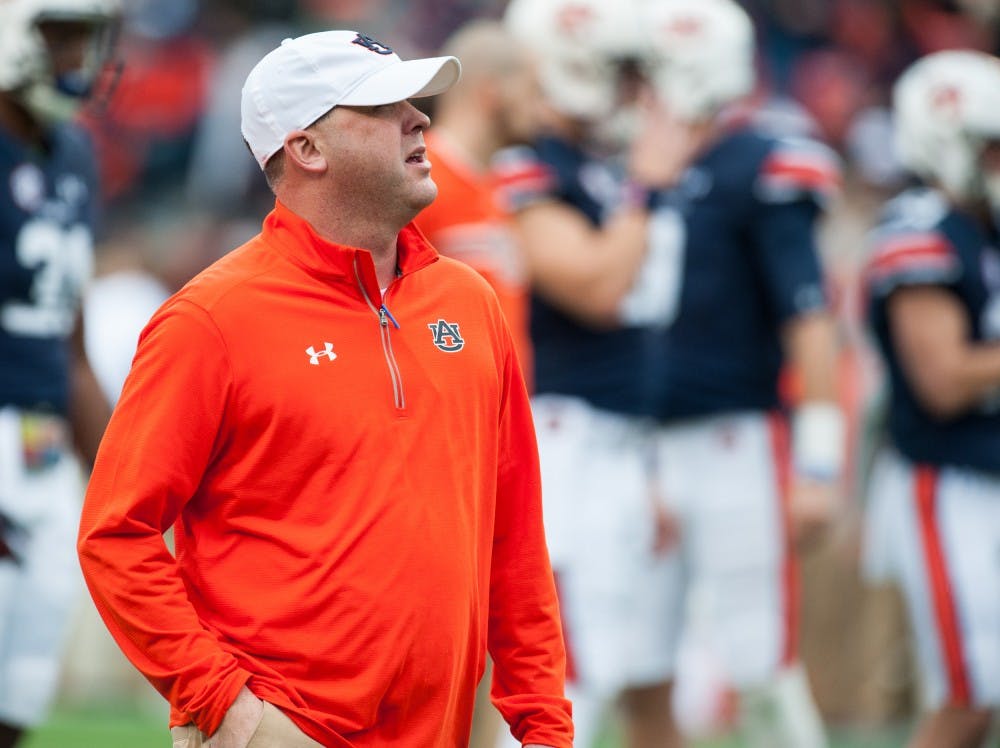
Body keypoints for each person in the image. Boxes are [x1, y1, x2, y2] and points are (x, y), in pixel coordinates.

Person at [76, 30, 572, 748]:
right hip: (271, 731)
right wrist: (230, 709)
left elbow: (516, 539)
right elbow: (115, 535)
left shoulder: (470, 304)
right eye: (383, 106)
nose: (421, 119)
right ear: (307, 149)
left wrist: (545, 729)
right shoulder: (210, 320)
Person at [638, 1, 844, 746]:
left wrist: (818, 460)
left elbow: (809, 315)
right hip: (638, 445)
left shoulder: (761, 161)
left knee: (761, 662)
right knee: (634, 667)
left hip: (735, 439)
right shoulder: (628, 165)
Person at [496, 0, 695, 745]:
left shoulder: (606, 170)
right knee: (564, 670)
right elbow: (597, 289)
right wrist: (646, 187)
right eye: (618, 69)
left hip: (632, 437)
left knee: (649, 669)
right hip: (569, 437)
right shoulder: (534, 165)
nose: (631, 89)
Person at [863, 49, 1000, 748]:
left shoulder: (983, 225)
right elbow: (943, 381)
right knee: (970, 693)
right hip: (946, 482)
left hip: (985, 475)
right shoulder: (918, 229)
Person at [411, 20, 541, 748]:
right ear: (491, 91)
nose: (543, 102)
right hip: (443, 442)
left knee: (499, 640)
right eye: (529, 84)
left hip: (500, 438)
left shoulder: (493, 189)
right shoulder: (425, 183)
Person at [0, 1, 118, 745]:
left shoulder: (73, 154)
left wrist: (126, 475)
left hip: (40, 442)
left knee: (22, 684)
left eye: (85, 35)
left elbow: (71, 341)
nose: (78, 54)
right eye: (60, 34)